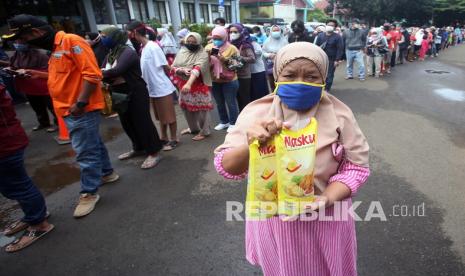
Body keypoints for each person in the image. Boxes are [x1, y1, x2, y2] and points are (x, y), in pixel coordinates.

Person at [213, 42, 370, 275]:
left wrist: (326, 198)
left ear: (323, 79)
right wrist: (251, 144)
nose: (300, 82)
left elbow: (357, 167)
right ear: (276, 76)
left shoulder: (340, 114)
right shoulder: (256, 113)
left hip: (327, 217)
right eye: (289, 75)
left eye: (311, 76)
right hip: (276, 222)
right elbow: (226, 167)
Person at [3, 14, 119, 218]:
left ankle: (89, 193)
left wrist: (80, 103)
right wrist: (34, 73)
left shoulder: (72, 42)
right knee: (93, 143)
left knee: (85, 151)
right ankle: (107, 173)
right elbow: (62, 75)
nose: (22, 43)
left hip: (79, 108)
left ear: (36, 33)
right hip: (67, 108)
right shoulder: (56, 48)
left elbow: (92, 75)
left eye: (23, 39)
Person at [0, 83, 54, 253]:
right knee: (13, 185)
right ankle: (34, 215)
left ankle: (38, 223)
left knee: (17, 185)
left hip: (5, 143)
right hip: (7, 142)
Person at [100, 27, 163, 169]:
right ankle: (138, 148)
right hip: (118, 92)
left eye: (105, 36)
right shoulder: (111, 53)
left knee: (142, 122)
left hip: (135, 91)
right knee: (127, 122)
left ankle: (154, 152)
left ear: (115, 37)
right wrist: (104, 73)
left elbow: (117, 70)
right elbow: (104, 68)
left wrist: (103, 73)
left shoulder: (128, 52)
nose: (103, 38)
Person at [127, 21, 178, 151]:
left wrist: (175, 74)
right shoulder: (143, 48)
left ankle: (174, 139)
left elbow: (166, 67)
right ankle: (163, 137)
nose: (129, 37)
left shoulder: (153, 47)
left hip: (162, 88)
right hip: (152, 89)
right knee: (160, 117)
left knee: (169, 116)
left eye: (129, 34)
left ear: (135, 33)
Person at [171, 32, 213, 141]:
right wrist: (181, 70)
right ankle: (193, 128)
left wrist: (189, 83)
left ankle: (205, 131)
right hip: (183, 85)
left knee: (202, 109)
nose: (190, 44)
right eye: (188, 42)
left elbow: (197, 69)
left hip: (198, 85)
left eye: (194, 42)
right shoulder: (182, 51)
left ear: (199, 42)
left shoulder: (202, 53)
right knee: (187, 108)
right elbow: (173, 67)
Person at [8, 41, 58, 131]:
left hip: (42, 85)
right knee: (37, 106)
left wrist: (30, 71)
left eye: (20, 42)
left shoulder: (40, 54)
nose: (18, 44)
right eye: (16, 42)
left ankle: (58, 124)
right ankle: (43, 122)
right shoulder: (16, 55)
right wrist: (11, 70)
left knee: (51, 106)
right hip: (28, 86)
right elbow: (13, 66)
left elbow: (48, 70)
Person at [205, 26, 240, 132]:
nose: (216, 40)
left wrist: (223, 59)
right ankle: (224, 121)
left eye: (219, 38)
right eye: (214, 38)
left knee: (231, 102)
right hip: (215, 79)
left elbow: (237, 65)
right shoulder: (208, 47)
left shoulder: (232, 48)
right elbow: (203, 64)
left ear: (225, 37)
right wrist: (207, 57)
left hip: (230, 80)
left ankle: (234, 123)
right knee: (219, 102)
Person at [228, 23, 256, 112]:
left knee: (245, 98)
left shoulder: (245, 45)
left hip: (244, 75)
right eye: (231, 32)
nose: (232, 34)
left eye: (235, 32)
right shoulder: (229, 44)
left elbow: (252, 58)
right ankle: (241, 116)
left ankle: (246, 117)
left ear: (241, 32)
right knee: (237, 98)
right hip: (233, 75)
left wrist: (240, 58)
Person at [314, 19, 344, 92]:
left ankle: (327, 89)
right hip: (320, 58)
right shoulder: (320, 35)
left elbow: (340, 49)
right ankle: (320, 88)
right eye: (328, 25)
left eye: (332, 25)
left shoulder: (337, 37)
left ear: (335, 27)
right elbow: (316, 47)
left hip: (331, 59)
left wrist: (337, 60)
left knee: (329, 75)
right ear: (326, 25)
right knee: (320, 73)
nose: (330, 26)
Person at [262, 25, 288, 91]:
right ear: (271, 31)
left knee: (281, 83)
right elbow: (263, 52)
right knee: (272, 84)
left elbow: (288, 52)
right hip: (271, 66)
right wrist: (269, 55)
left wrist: (279, 55)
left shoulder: (284, 41)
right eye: (274, 30)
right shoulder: (267, 41)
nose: (276, 32)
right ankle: (273, 97)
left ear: (280, 31)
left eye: (277, 30)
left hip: (282, 66)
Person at [248, 28, 268, 101]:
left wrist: (248, 54)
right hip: (248, 72)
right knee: (252, 92)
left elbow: (259, 52)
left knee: (259, 92)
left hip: (258, 71)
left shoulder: (254, 42)